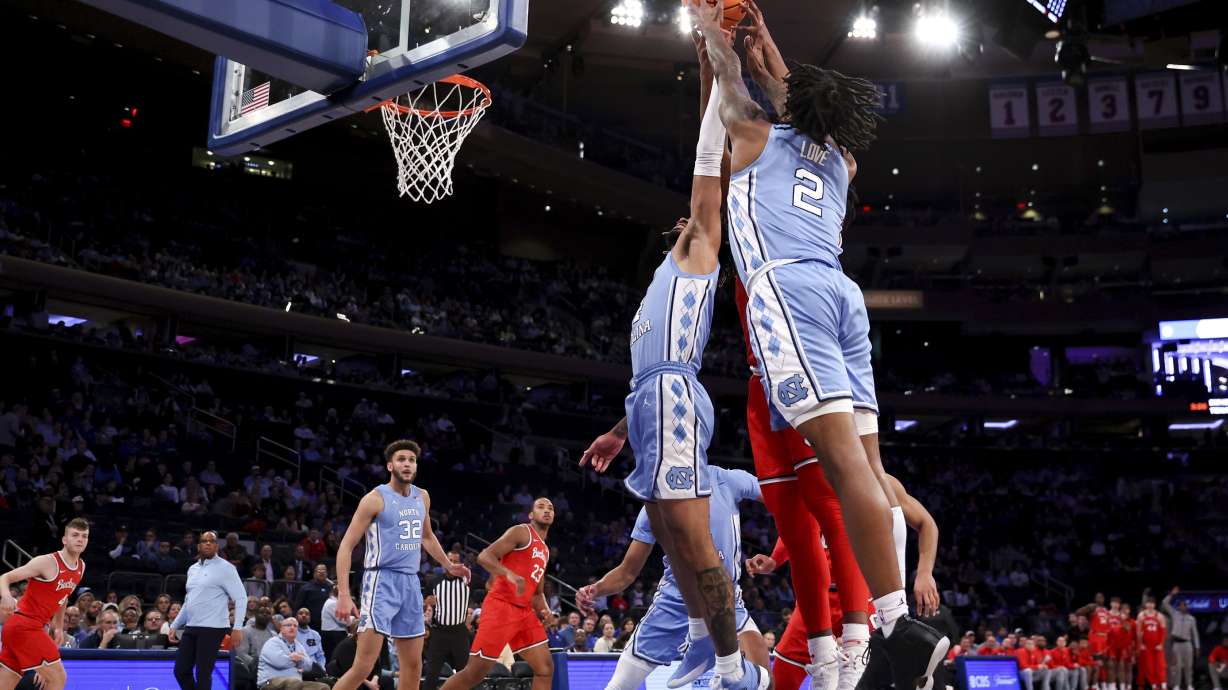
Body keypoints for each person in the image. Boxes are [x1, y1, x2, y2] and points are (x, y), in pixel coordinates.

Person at [689, 2, 947, 687]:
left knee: (842, 465)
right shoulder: (842, 159)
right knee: (868, 467)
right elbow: (792, 97)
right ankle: (892, 624)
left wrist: (713, 32)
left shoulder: (752, 135)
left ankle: (895, 627)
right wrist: (764, 42)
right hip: (843, 297)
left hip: (789, 289)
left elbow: (729, 83)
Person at [579, 26, 765, 690]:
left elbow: (709, 158)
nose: (689, 218)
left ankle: (730, 667)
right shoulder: (665, 275)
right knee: (673, 540)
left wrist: (712, 68)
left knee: (692, 541)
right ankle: (704, 644)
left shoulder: (700, 249)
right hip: (648, 402)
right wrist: (620, 429)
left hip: (673, 396)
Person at [577, 466, 772, 690]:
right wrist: (597, 588)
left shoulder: (727, 479)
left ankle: (723, 676)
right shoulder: (657, 501)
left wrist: (776, 557)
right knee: (619, 686)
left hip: (726, 600)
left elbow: (782, 500)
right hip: (675, 602)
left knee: (764, 681)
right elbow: (627, 571)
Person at [331, 440, 471, 690]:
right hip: (380, 581)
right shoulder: (374, 499)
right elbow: (346, 546)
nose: (407, 464)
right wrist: (343, 593)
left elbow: (427, 537)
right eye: (401, 459)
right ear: (390, 466)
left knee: (414, 666)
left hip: (410, 582)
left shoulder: (422, 496)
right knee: (363, 666)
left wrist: (448, 565)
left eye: (411, 460)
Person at [439, 498, 556, 690]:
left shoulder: (545, 550)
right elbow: (484, 556)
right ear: (531, 514)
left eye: (550, 508)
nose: (547, 510)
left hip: (524, 612)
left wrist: (546, 611)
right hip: (501, 606)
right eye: (541, 507)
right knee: (475, 672)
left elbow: (537, 593)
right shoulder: (521, 532)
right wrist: (508, 574)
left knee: (545, 668)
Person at [0, 518, 89, 690]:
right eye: (75, 535)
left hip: (21, 628)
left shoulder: (81, 567)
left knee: (5, 683)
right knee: (57, 678)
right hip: (25, 625)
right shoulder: (47, 562)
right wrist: (6, 595)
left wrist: (58, 625)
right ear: (64, 539)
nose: (80, 539)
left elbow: (63, 596)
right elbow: (5, 577)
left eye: (84, 536)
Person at [169, 530, 247, 690]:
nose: (208, 544)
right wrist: (175, 624)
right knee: (181, 671)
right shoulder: (192, 569)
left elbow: (240, 598)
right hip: (192, 626)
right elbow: (189, 601)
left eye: (212, 541)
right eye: (204, 541)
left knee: (203, 673)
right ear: (199, 546)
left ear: (217, 546)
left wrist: (237, 628)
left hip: (213, 627)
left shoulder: (226, 568)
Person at [423, 554, 473, 690]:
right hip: (440, 632)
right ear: (444, 562)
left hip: (459, 632)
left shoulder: (466, 579)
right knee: (431, 673)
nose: (453, 563)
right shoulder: (435, 581)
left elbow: (472, 575)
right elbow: (425, 600)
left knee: (465, 672)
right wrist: (427, 601)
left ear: (461, 564)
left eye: (456, 561)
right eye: (450, 560)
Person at [257, 617, 328, 690]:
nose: (292, 627)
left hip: (296, 683)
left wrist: (299, 659)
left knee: (323, 687)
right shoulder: (272, 642)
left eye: (295, 626)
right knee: (294, 682)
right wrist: (297, 660)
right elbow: (280, 663)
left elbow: (308, 666)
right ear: (281, 628)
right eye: (288, 625)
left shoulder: (299, 645)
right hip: (270, 682)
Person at [1161, 588, 1198, 690]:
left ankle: (1189, 685)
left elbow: (1195, 634)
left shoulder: (1191, 619)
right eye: (1180, 605)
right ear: (1178, 607)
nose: (1182, 607)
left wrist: (1197, 647)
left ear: (1187, 607)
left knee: (1188, 666)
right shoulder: (1174, 614)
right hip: (1176, 644)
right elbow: (1164, 603)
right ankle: (1176, 685)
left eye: (1184, 605)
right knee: (1177, 666)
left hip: (1187, 644)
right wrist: (1171, 594)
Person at [320, 586, 347, 662]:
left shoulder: (331, 602)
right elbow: (342, 621)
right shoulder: (333, 603)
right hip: (334, 635)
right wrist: (354, 620)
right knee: (335, 657)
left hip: (332, 634)